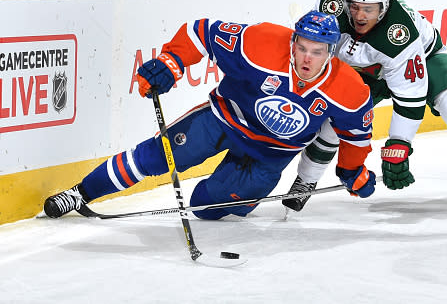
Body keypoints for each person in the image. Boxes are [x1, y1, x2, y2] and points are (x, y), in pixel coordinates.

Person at [43, 11, 376, 220]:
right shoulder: (261, 43)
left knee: (204, 207)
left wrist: (352, 170)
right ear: (292, 42)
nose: (307, 58)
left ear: (330, 53)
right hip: (224, 120)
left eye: (317, 51)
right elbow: (201, 31)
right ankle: (80, 193)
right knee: (154, 157)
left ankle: (230, 194)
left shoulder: (349, 88)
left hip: (269, 156)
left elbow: (355, 136)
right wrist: (171, 62)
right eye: (302, 47)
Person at [283, 0, 447, 229]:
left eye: (369, 9)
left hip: (425, 58)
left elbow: (409, 98)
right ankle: (305, 181)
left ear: (385, 5)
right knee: (333, 122)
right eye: (354, 6)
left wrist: (398, 145)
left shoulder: (400, 33)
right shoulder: (329, 6)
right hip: (365, 72)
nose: (359, 15)